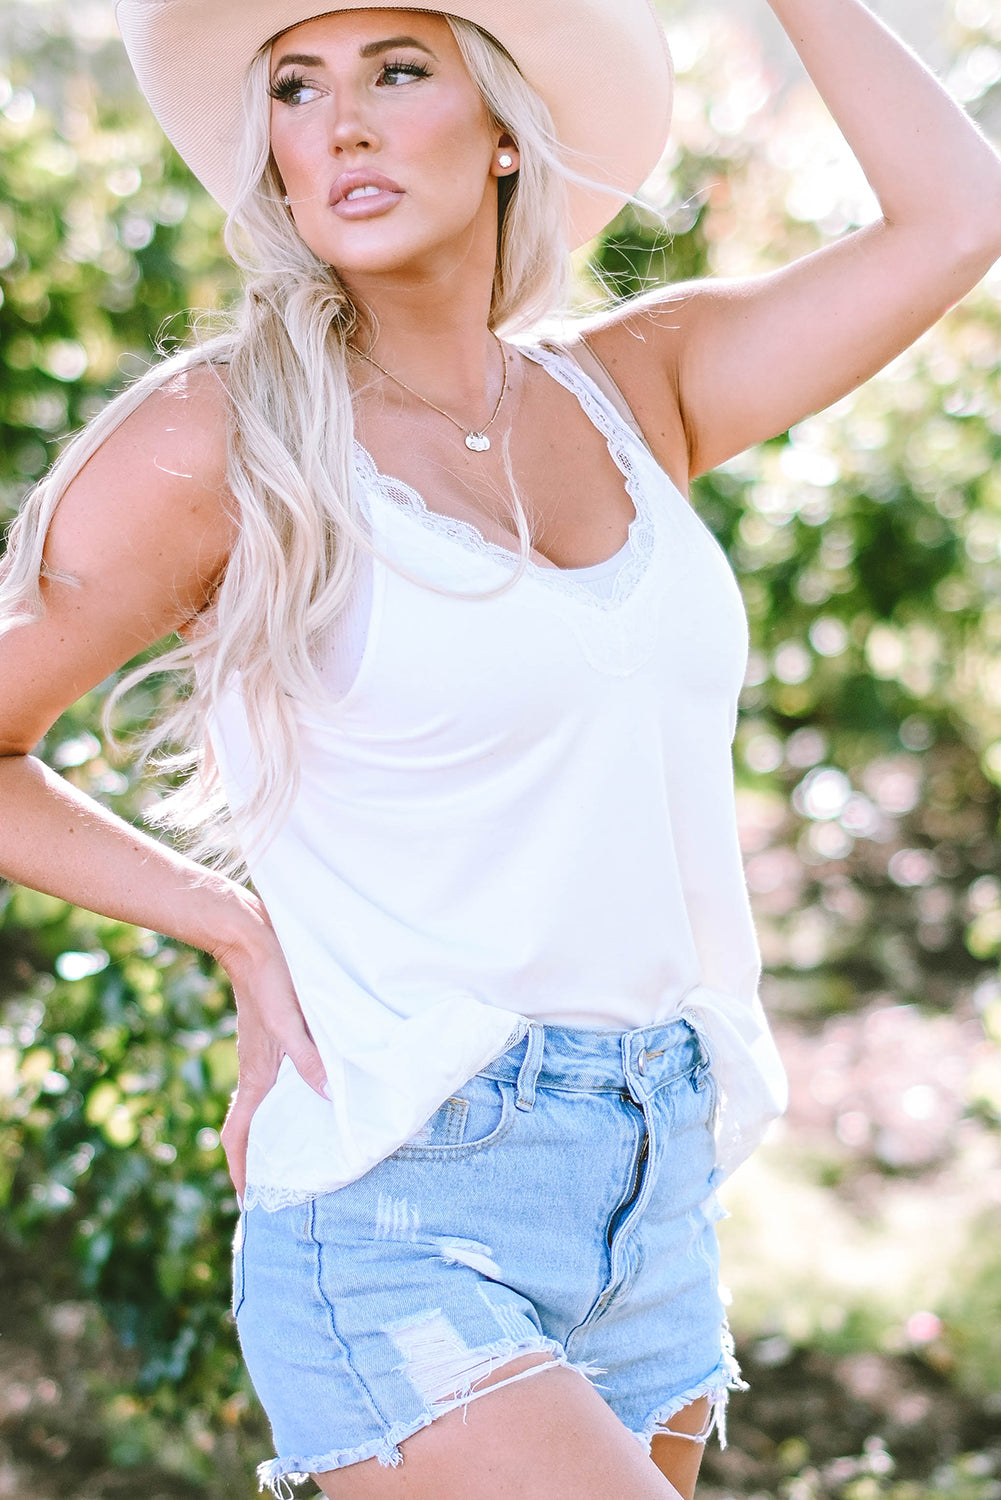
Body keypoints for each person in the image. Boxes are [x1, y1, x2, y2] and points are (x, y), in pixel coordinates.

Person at [1, 0, 999, 1495]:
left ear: (505, 132)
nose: (339, 122)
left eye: (398, 72)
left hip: (650, 1180)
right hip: (403, 1189)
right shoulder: (224, 440)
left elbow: (957, 213)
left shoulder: (635, 389)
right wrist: (227, 923)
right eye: (295, 86)